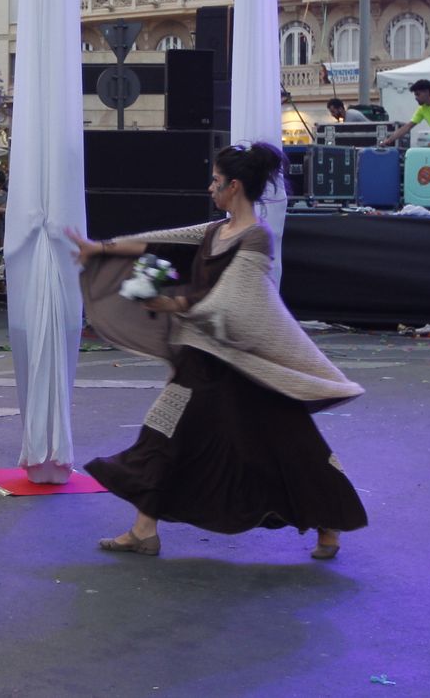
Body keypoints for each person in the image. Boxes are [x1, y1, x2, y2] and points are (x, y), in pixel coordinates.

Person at [67, 142, 368, 560]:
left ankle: (329, 524)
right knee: (163, 434)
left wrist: (173, 305)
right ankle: (144, 529)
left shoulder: (257, 236)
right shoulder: (214, 231)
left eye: (215, 180)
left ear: (234, 186)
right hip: (200, 359)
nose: (210, 187)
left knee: (288, 442)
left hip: (242, 364)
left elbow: (236, 303)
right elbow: (159, 242)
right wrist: (101, 248)